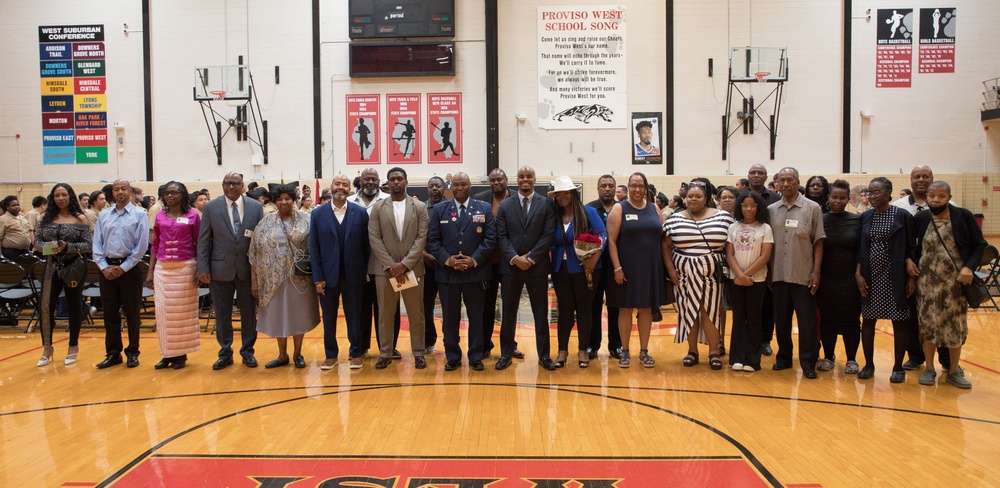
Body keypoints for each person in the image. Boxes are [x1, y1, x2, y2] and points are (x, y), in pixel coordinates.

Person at [914, 181, 985, 389]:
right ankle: (928, 368)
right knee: (927, 325)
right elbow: (912, 247)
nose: (936, 199)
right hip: (926, 284)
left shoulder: (963, 216)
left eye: (941, 196)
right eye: (932, 196)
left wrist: (969, 268)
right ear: (926, 197)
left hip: (955, 283)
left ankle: (953, 370)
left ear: (949, 197)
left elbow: (980, 245)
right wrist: (910, 262)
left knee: (955, 325)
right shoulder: (921, 218)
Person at [426, 172, 495, 371]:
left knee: (476, 317)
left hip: (475, 273)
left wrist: (473, 260)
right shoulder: (440, 210)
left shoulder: (484, 208)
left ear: (470, 185)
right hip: (448, 274)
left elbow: (490, 239)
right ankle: (453, 355)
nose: (459, 188)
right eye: (456, 184)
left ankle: (475, 355)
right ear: (451, 187)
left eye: (463, 184)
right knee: (450, 318)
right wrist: (448, 260)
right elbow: (433, 240)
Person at [663, 183, 735, 370]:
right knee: (689, 312)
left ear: (707, 199)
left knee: (710, 312)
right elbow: (666, 245)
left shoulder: (723, 217)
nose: (693, 199)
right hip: (684, 274)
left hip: (712, 273)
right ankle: (692, 351)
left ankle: (713, 351)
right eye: (690, 196)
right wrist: (671, 271)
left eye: (698, 196)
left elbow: (730, 245)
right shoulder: (675, 218)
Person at [197, 172, 263, 370]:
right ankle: (225, 352)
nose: (231, 187)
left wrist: (258, 273)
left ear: (243, 186)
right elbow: (204, 240)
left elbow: (259, 240)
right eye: (227, 183)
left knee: (249, 313)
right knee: (222, 313)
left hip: (247, 269)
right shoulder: (211, 207)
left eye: (235, 184)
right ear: (223, 185)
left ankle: (247, 351)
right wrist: (203, 267)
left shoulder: (255, 207)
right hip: (219, 269)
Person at [249, 184, 319, 369]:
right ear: (274, 201)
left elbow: (316, 248)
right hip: (272, 279)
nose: (283, 202)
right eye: (280, 199)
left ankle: (297, 354)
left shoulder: (307, 220)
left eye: (287, 198)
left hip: (299, 278)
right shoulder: (265, 222)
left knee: (299, 314)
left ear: (293, 200)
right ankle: (282, 355)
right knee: (277, 315)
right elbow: (254, 252)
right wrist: (254, 280)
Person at [494, 166, 557, 371]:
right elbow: (501, 236)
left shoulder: (547, 204)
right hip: (511, 268)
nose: (525, 179)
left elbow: (548, 235)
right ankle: (505, 353)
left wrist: (530, 258)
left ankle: (544, 355)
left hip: (536, 267)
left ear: (534, 178)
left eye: (529, 176)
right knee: (508, 313)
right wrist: (514, 258)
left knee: (540, 314)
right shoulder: (505, 205)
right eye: (521, 176)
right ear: (517, 179)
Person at [855, 177, 916, 383]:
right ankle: (869, 364)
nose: (872, 196)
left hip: (895, 276)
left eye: (876, 192)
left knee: (899, 322)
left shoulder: (902, 216)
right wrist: (858, 273)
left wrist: (911, 278)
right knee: (869, 321)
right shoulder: (866, 217)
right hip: (871, 276)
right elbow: (860, 248)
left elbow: (911, 249)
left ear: (888, 192)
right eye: (870, 192)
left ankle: (898, 367)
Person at [368, 167, 429, 369]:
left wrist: (405, 264)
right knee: (385, 314)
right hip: (385, 271)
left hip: (412, 269)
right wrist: (390, 265)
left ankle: (419, 352)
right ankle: (385, 353)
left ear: (406, 181)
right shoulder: (378, 208)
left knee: (416, 313)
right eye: (392, 179)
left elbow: (422, 238)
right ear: (387, 183)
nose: (396, 182)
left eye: (399, 179)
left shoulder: (419, 207)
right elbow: (374, 238)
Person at [606, 172, 668, 368]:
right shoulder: (619, 208)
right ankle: (624, 351)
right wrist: (617, 267)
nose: (637, 189)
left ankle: (644, 351)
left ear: (646, 188)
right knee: (625, 308)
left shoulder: (654, 208)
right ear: (628, 187)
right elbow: (612, 241)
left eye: (640, 186)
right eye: (633, 185)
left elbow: (662, 237)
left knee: (646, 309)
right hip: (626, 269)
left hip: (651, 268)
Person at [892, 164, 950, 371]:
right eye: (917, 176)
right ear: (911, 180)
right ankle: (915, 356)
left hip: (940, 273)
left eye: (926, 176)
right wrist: (907, 260)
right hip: (907, 270)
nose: (921, 180)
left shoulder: (949, 207)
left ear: (932, 178)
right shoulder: (898, 206)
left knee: (941, 315)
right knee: (911, 315)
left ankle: (947, 359)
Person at [769, 167, 825, 379]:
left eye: (789, 180)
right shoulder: (772, 209)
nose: (785, 184)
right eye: (782, 180)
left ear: (797, 181)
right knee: (781, 321)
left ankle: (808, 362)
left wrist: (816, 272)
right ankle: (783, 357)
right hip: (779, 274)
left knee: (807, 322)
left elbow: (818, 242)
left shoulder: (812, 208)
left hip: (803, 275)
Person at [310, 175, 371, 369]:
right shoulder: (318, 214)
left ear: (350, 189)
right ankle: (331, 354)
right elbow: (314, 247)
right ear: (331, 187)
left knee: (355, 315)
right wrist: (317, 277)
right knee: (328, 316)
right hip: (328, 275)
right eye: (338, 184)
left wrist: (365, 271)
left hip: (354, 273)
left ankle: (356, 352)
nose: (341, 188)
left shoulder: (360, 213)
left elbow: (366, 245)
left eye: (345, 185)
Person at [550, 176, 606, 368]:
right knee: (564, 311)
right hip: (560, 269)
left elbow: (602, 235)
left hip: (586, 268)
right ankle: (562, 350)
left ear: (573, 193)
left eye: (566, 192)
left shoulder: (588, 212)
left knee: (584, 309)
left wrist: (594, 258)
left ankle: (583, 349)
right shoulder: (554, 215)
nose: (562, 196)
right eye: (559, 194)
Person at [92, 179, 149, 369]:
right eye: (116, 189)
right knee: (109, 314)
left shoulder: (140, 214)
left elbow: (141, 247)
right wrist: (103, 266)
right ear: (112, 193)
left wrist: (123, 268)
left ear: (130, 192)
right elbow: (97, 244)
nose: (120, 192)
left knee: (132, 314)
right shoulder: (103, 215)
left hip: (129, 270)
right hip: (107, 270)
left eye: (123, 188)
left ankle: (133, 352)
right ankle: (113, 353)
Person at [145, 181, 201, 370]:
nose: (170, 196)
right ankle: (166, 354)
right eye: (167, 193)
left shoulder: (192, 215)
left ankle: (180, 355)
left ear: (182, 194)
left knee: (182, 315)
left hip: (185, 267)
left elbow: (199, 243)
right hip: (163, 268)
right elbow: (155, 244)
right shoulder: (160, 215)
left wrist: (200, 269)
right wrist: (150, 270)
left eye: (174, 192)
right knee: (163, 313)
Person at [33, 184, 91, 367]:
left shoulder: (81, 218)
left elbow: (88, 245)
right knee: (45, 306)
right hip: (51, 266)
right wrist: (52, 247)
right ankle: (47, 347)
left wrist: (68, 247)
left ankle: (73, 345)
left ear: (70, 196)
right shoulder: (44, 218)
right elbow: (37, 244)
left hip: (75, 266)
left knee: (74, 306)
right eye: (57, 195)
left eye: (64, 195)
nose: (61, 198)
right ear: (52, 198)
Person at [349, 168, 399, 357]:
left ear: (380, 181)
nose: (370, 182)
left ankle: (389, 347)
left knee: (387, 309)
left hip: (385, 265)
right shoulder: (348, 202)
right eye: (366, 179)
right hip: (358, 266)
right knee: (360, 309)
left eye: (374, 179)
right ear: (359, 181)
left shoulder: (390, 200)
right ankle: (360, 347)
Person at [816, 180, 862, 374]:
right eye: (834, 197)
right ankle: (828, 356)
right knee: (828, 320)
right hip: (826, 279)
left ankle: (851, 359)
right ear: (828, 198)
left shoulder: (857, 220)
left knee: (851, 320)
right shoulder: (821, 220)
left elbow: (862, 250)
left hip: (850, 280)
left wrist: (859, 273)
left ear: (848, 199)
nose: (838, 201)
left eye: (842, 197)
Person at [725, 191, 773, 371]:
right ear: (740, 207)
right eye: (745, 205)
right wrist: (739, 275)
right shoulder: (733, 227)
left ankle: (753, 360)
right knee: (738, 317)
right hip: (735, 279)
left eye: (753, 205)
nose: (749, 209)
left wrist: (747, 276)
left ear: (758, 207)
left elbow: (765, 255)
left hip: (757, 280)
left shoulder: (765, 228)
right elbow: (729, 254)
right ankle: (737, 357)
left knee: (754, 318)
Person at [473, 168, 515, 359]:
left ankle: (510, 346)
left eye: (500, 179)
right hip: (486, 262)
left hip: (510, 262)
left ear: (507, 180)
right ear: (489, 182)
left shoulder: (516, 198)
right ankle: (484, 345)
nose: (496, 182)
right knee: (486, 306)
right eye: (493, 180)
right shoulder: (480, 198)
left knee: (510, 306)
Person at [586, 175, 623, 359]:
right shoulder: (589, 209)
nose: (607, 188)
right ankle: (592, 345)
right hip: (595, 265)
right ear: (598, 189)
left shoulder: (622, 208)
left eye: (611, 186)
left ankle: (616, 345)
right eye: (603, 186)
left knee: (615, 305)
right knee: (593, 305)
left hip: (617, 266)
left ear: (615, 189)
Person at [746, 164, 781, 356]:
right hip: (745, 256)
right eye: (753, 173)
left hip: (768, 256)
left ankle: (765, 340)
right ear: (748, 176)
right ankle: (748, 339)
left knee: (767, 303)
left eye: (760, 173)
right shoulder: (741, 197)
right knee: (746, 304)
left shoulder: (775, 199)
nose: (757, 175)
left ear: (766, 176)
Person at [421, 176, 446, 353]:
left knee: (450, 306)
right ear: (428, 189)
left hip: (447, 265)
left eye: (438, 185)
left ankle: (450, 342)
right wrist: (424, 255)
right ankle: (428, 340)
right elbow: (413, 237)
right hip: (425, 265)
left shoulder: (452, 207)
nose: (434, 188)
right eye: (431, 186)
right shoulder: (420, 208)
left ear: (444, 188)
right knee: (425, 305)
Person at [714, 185, 739, 354]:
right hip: (719, 269)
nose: (727, 200)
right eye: (724, 197)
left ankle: (739, 343)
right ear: (718, 200)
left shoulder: (743, 219)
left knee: (738, 308)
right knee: (719, 308)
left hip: (741, 268)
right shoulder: (713, 218)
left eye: (731, 197)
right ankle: (719, 340)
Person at [0, 196, 32, 262]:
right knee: (13, 272)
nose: (17, 207)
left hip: (25, 251)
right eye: (13, 205)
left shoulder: (23, 218)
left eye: (18, 205)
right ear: (7, 207)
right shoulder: (3, 219)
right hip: (10, 252)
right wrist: (0, 255)